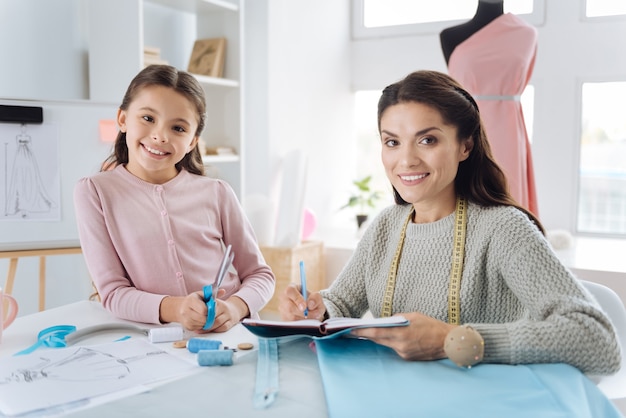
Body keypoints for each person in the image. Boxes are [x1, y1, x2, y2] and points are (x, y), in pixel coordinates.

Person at [279, 70, 621, 375]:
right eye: (392, 142)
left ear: (465, 146)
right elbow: (341, 304)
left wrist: (451, 340)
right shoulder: (385, 226)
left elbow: (598, 341)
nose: (407, 159)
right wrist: (315, 310)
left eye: (427, 140)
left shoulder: (503, 228)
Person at [74, 65, 275, 332]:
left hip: (234, 336)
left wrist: (236, 307)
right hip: (155, 344)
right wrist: (177, 309)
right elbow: (113, 293)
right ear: (122, 119)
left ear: (192, 141)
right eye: (148, 118)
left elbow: (260, 275)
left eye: (178, 128)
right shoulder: (94, 192)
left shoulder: (217, 192)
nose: (160, 136)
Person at [440, 0, 540, 216]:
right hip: (466, 124)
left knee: (508, 196)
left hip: (509, 129)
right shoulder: (449, 36)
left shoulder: (527, 35)